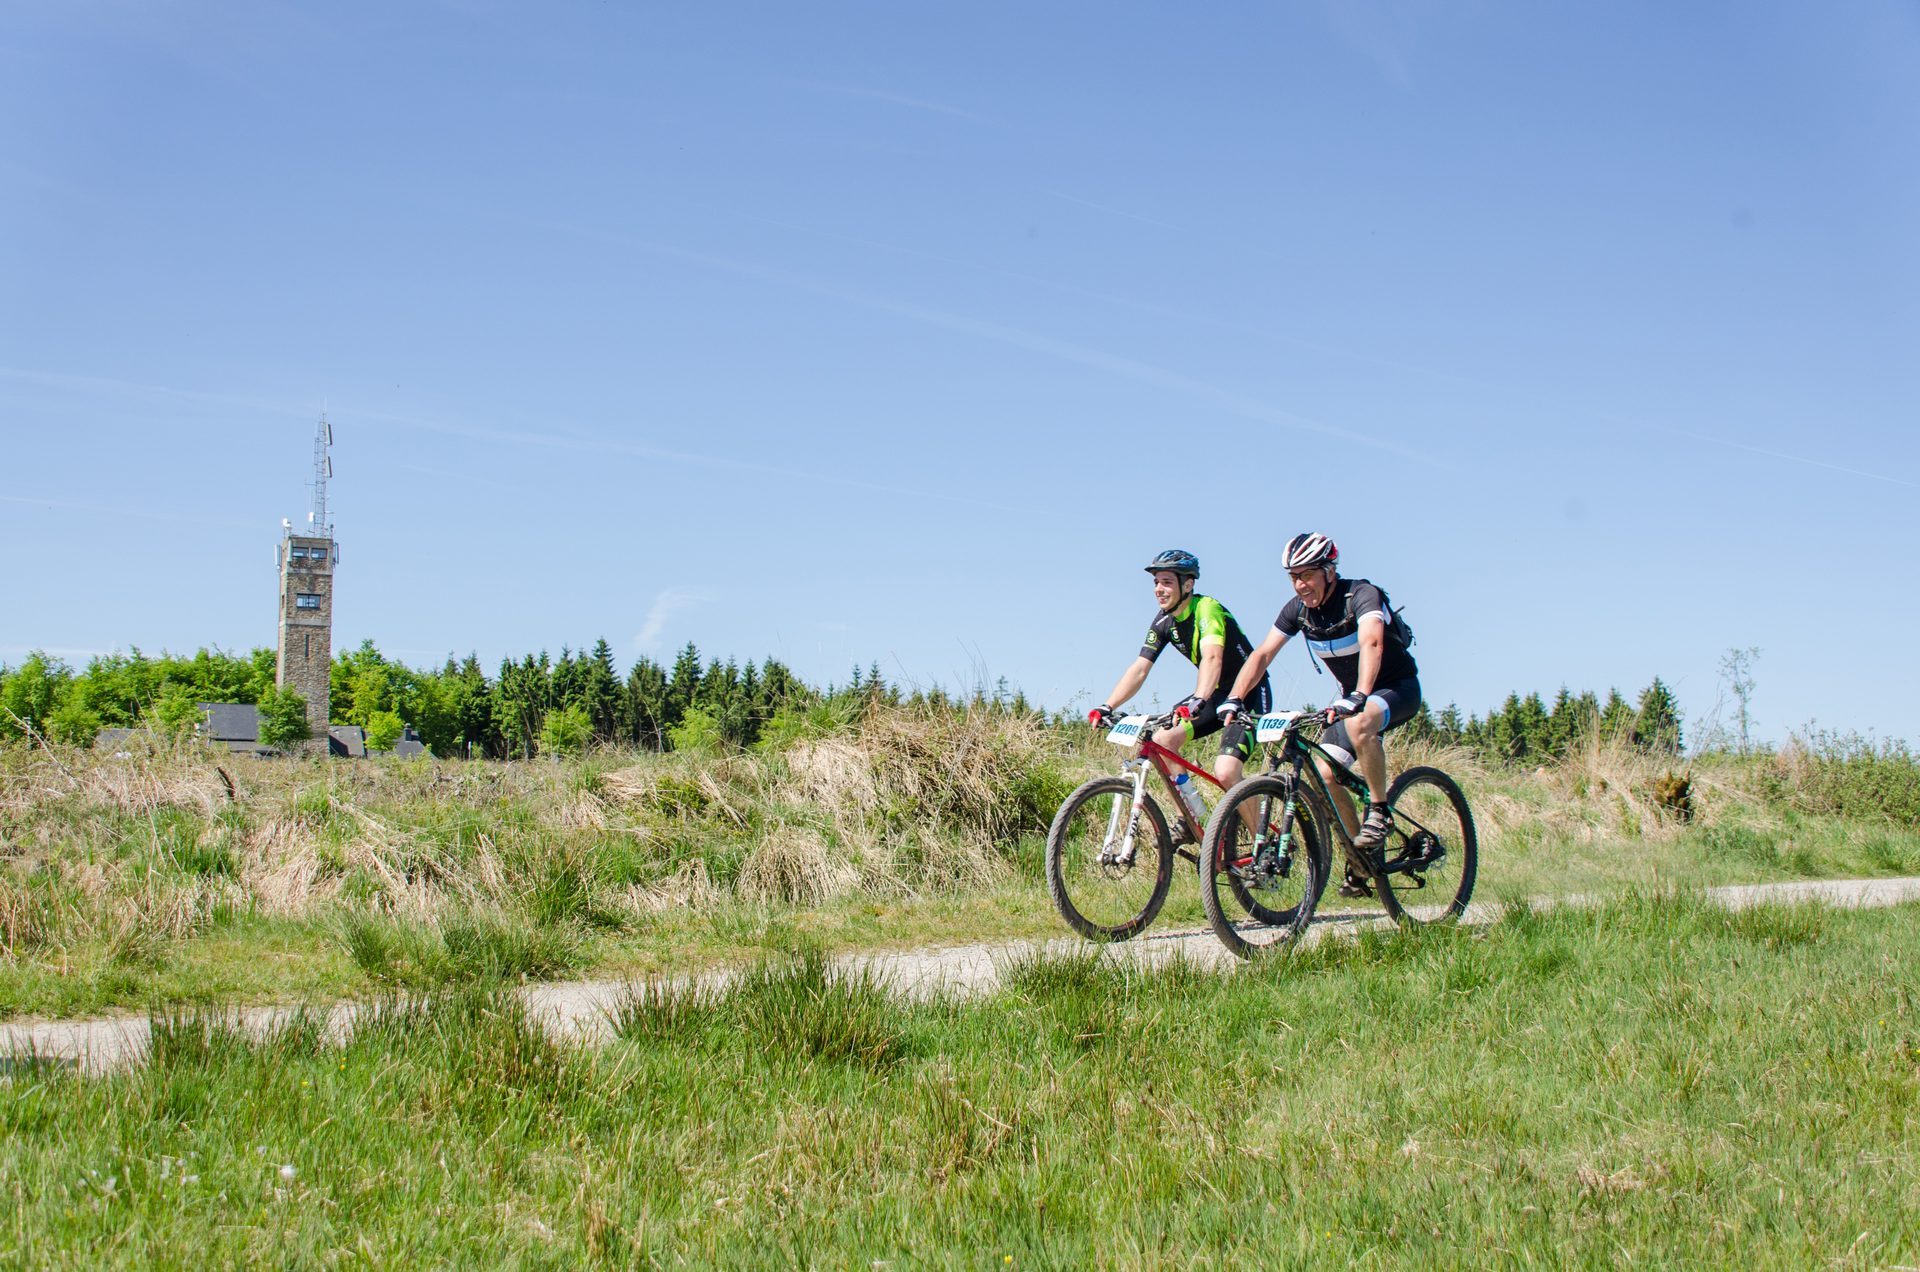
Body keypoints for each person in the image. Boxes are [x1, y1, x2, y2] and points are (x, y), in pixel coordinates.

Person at [1217, 532, 1421, 894]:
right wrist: (1235, 697)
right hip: (1353, 700)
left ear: (1329, 570)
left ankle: (1380, 810)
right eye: (1294, 576)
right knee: (1326, 774)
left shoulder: (1360, 595)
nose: (1300, 584)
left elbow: (1372, 641)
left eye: (1307, 574)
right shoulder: (1298, 610)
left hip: (1395, 689)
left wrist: (1358, 694)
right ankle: (1362, 860)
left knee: (1360, 725)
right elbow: (1262, 655)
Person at [1088, 550, 1273, 838]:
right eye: (1156, 583)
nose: (1158, 590)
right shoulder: (1163, 622)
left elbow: (1213, 659)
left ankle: (1264, 844)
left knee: (1226, 771)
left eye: (1166, 583)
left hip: (1247, 693)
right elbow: (1140, 668)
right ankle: (1189, 816)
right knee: (1163, 740)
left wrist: (1199, 698)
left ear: (1187, 585)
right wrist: (1107, 705)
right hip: (1214, 694)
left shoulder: (1207, 609)